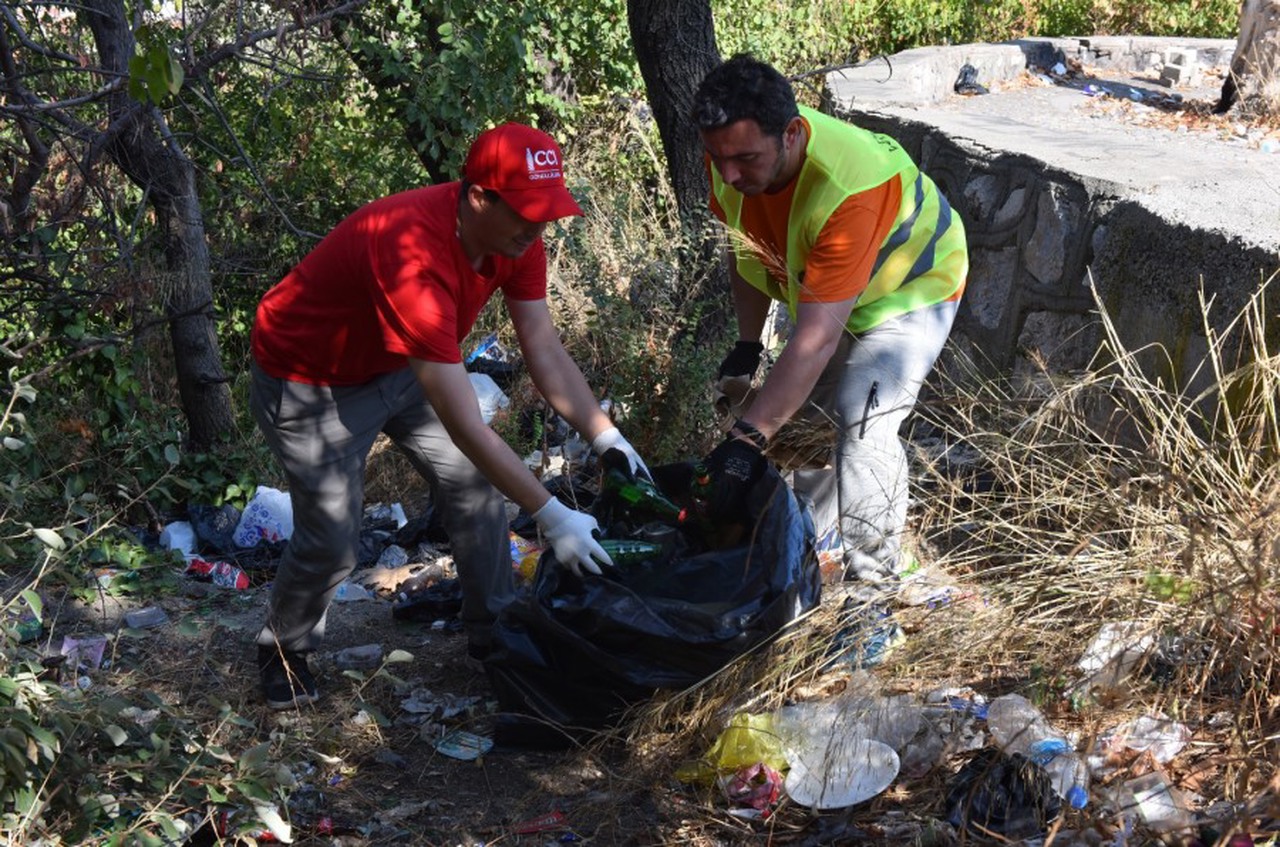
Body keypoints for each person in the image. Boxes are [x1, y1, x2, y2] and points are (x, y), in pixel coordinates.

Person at [249, 123, 650, 709]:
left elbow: (541, 345)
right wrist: (550, 513)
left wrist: (606, 436)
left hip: (398, 361)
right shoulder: (413, 253)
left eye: (546, 215)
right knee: (334, 539)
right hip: (312, 379)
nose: (538, 229)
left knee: (475, 490)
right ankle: (283, 648)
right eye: (526, 214)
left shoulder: (516, 238)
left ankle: (496, 635)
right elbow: (467, 425)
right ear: (479, 197)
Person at [693, 55, 967, 588]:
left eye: (745, 159)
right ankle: (808, 546)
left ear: (792, 133)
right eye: (717, 157)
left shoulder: (849, 186)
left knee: (863, 421)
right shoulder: (730, 156)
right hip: (830, 295)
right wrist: (748, 345)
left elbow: (815, 342)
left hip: (911, 288)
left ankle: (874, 592)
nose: (728, 174)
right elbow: (745, 252)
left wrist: (746, 441)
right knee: (791, 426)